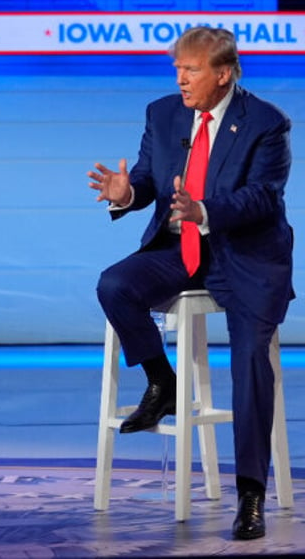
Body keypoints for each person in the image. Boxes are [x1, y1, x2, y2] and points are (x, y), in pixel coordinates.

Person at [87, 27, 294, 540]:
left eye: (192, 69)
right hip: (180, 252)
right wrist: (126, 191)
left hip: (244, 258)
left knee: (249, 361)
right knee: (114, 285)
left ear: (223, 74)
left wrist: (205, 211)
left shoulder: (266, 123)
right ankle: (164, 381)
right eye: (177, 68)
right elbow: (148, 180)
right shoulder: (163, 113)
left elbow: (263, 198)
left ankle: (250, 494)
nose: (180, 79)